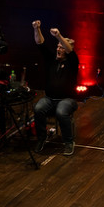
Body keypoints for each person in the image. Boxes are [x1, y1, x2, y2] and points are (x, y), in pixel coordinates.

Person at [29, 19, 81, 154]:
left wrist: (58, 35)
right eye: (58, 46)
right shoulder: (51, 59)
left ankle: (68, 142)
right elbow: (40, 43)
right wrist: (36, 28)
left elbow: (70, 51)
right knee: (38, 108)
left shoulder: (72, 62)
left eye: (61, 47)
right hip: (50, 98)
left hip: (67, 99)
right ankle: (42, 138)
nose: (58, 49)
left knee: (61, 112)